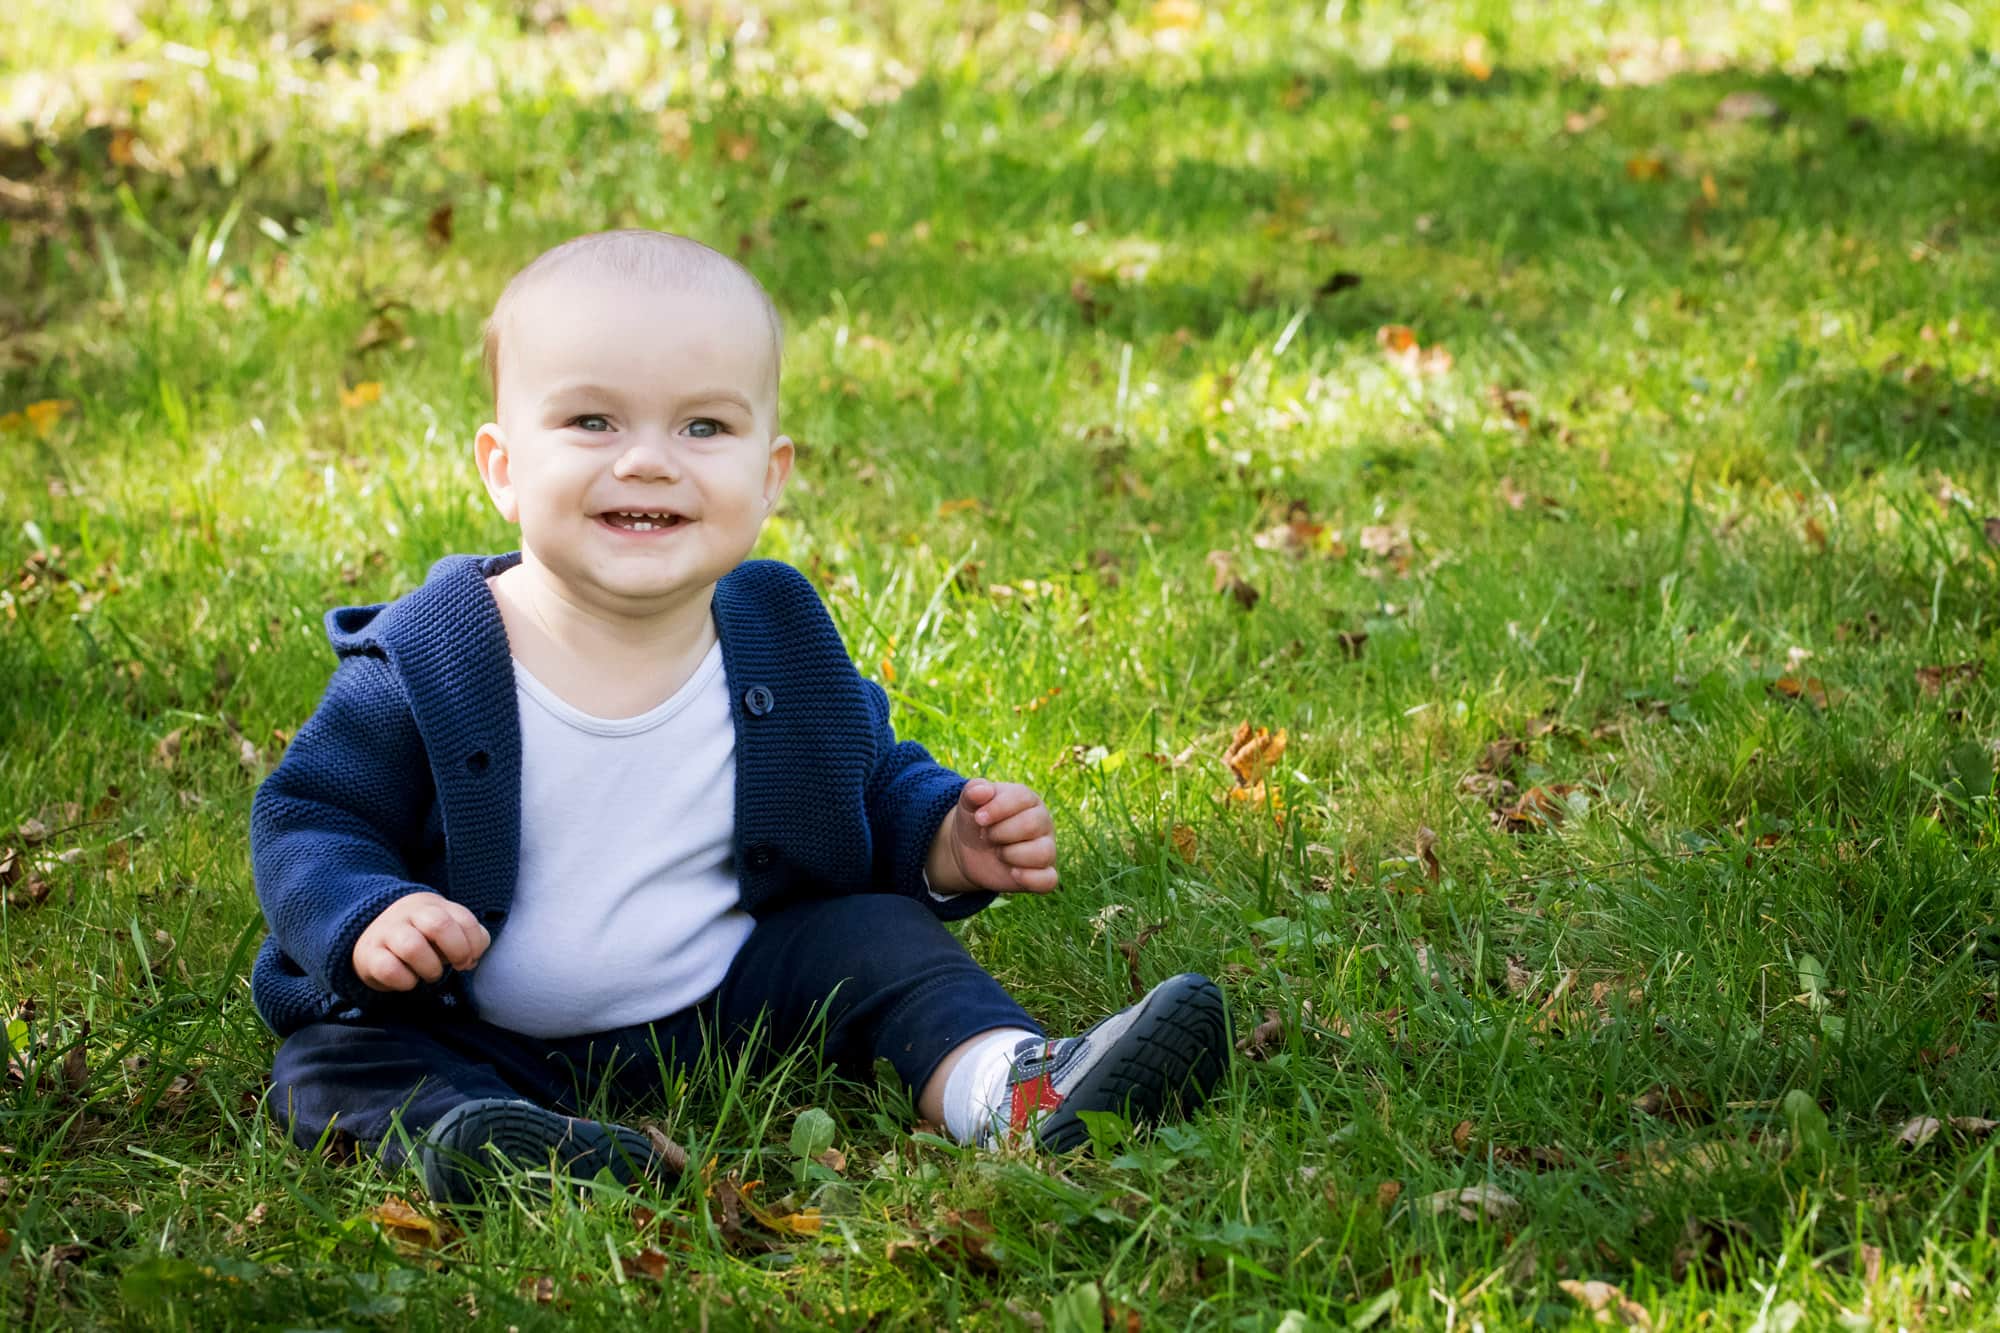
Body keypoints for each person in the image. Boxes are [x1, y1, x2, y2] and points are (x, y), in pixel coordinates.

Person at [250, 230, 1229, 1205]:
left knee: (880, 940)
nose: (646, 462)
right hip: (477, 1028)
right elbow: (310, 820)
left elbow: (865, 772)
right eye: (592, 421)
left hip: (730, 996)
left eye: (703, 428)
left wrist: (941, 837)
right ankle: (531, 1149)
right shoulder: (429, 659)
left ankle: (1008, 1087)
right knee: (331, 1067)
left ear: (769, 474)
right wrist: (370, 913)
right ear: (502, 467)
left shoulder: (776, 633)